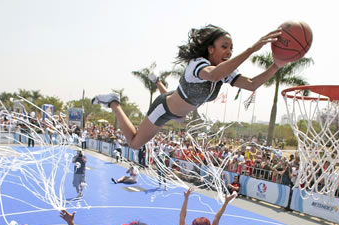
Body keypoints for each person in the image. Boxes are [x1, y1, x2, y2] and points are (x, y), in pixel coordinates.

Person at [92, 24, 286, 149]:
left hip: (180, 107)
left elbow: (252, 84)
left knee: (179, 108)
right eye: (224, 46)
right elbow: (214, 75)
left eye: (231, 47)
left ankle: (157, 80)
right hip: (164, 109)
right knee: (134, 143)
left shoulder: (225, 72)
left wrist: (276, 65)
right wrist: (252, 49)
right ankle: (114, 102)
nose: (229, 51)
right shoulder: (197, 64)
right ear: (211, 49)